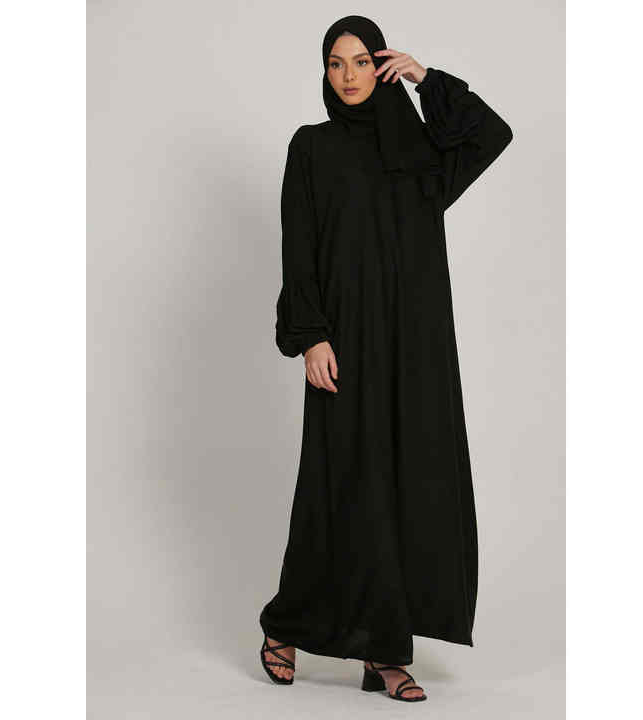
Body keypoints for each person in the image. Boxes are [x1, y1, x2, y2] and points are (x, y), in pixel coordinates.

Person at [258, 15, 513, 703]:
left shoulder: (420, 152)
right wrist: (311, 335)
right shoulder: (312, 147)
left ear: (382, 66)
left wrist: (428, 79)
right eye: (335, 63)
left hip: (413, 345)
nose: (348, 76)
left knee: (404, 488)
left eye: (361, 61)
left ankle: (385, 653)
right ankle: (284, 627)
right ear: (324, 71)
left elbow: (491, 134)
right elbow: (298, 245)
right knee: (338, 490)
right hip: (343, 345)